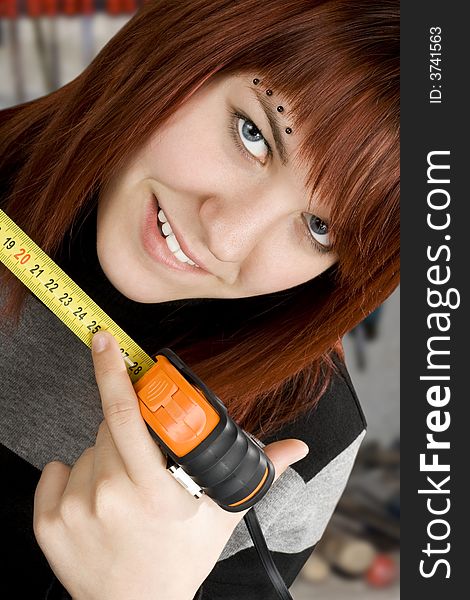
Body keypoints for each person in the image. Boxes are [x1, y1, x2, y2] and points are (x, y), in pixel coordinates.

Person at [0, 0, 399, 598]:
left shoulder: (306, 445)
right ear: (186, 46)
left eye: (321, 229)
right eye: (253, 135)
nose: (226, 235)